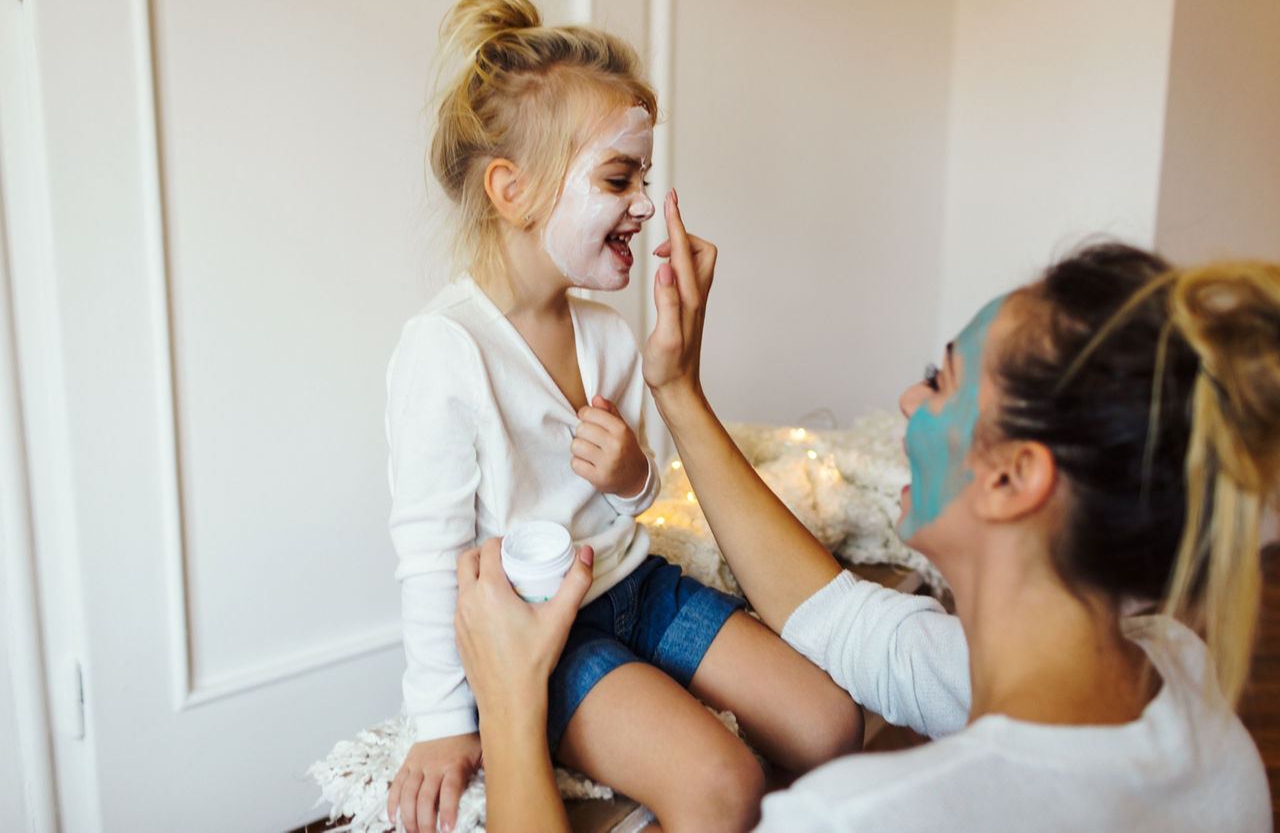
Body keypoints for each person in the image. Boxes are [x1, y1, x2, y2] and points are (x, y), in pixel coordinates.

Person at [454, 188, 1279, 831]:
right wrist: (677, 391)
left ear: (1013, 478)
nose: (910, 401)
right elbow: (843, 622)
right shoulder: (1181, 680)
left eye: (943, 381)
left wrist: (508, 703)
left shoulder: (858, 818)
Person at [385, 0, 862, 832]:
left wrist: (636, 472)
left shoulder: (606, 334)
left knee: (830, 724)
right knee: (721, 782)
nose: (645, 201)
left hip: (638, 585)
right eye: (618, 176)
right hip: (549, 635)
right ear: (512, 188)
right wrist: (442, 724)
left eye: (645, 174)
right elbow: (430, 554)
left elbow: (641, 494)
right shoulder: (444, 351)